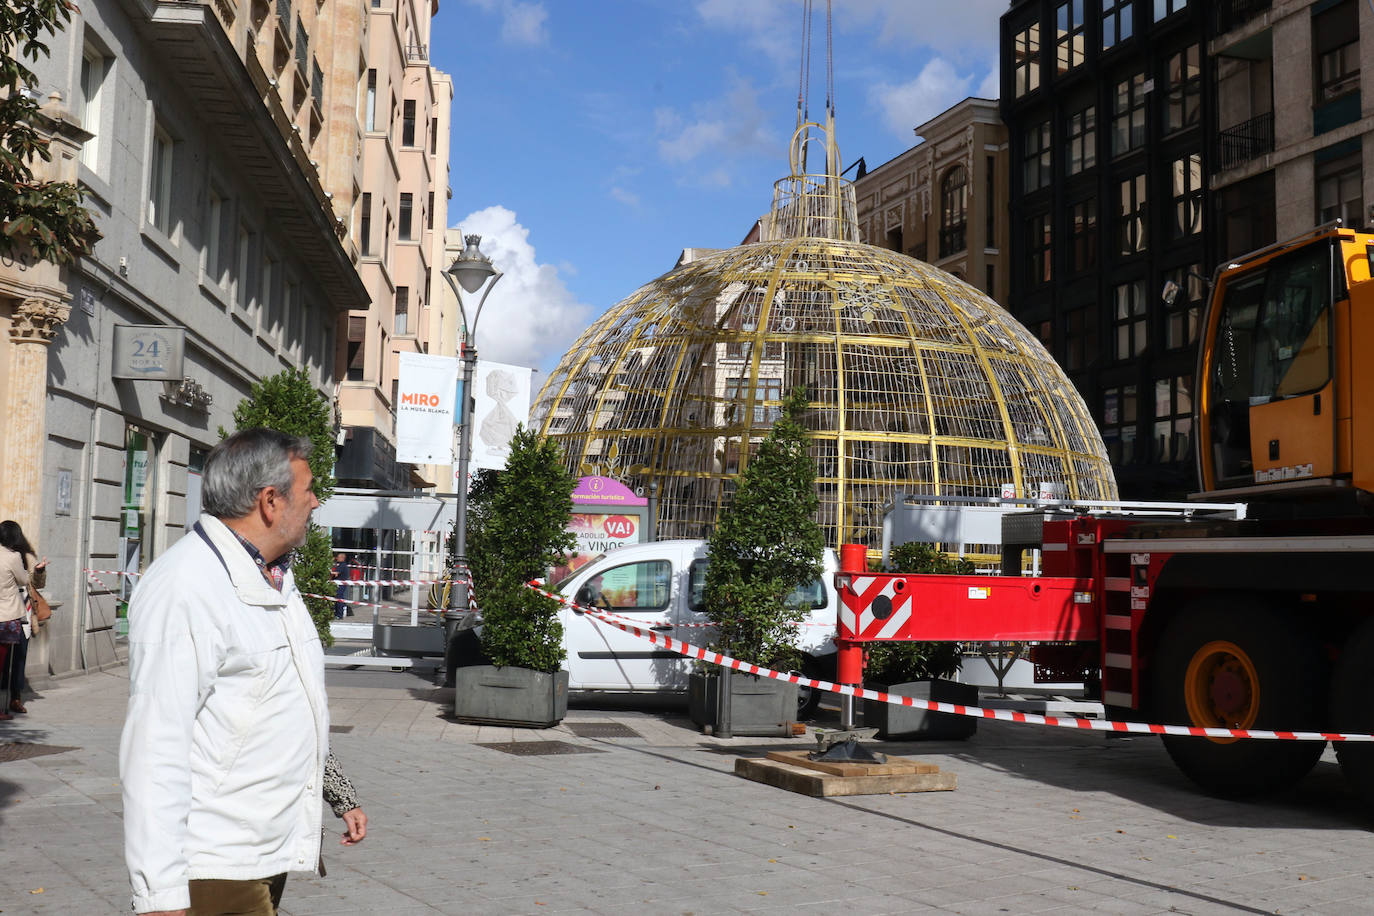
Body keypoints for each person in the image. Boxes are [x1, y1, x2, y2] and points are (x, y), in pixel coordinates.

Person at [120, 428, 367, 916]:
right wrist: (161, 894)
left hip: (262, 849)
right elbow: (154, 746)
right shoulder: (187, 585)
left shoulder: (274, 576)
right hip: (217, 861)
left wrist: (339, 796)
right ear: (270, 501)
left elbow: (290, 704)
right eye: (309, 489)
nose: (316, 502)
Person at [0, 520, 45, 720]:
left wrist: (40, 570)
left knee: (20, 656)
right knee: (5, 659)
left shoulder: (26, 556)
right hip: (10, 613)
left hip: (24, 612)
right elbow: (23, 579)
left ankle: (15, 697)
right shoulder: (12, 556)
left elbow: (37, 583)